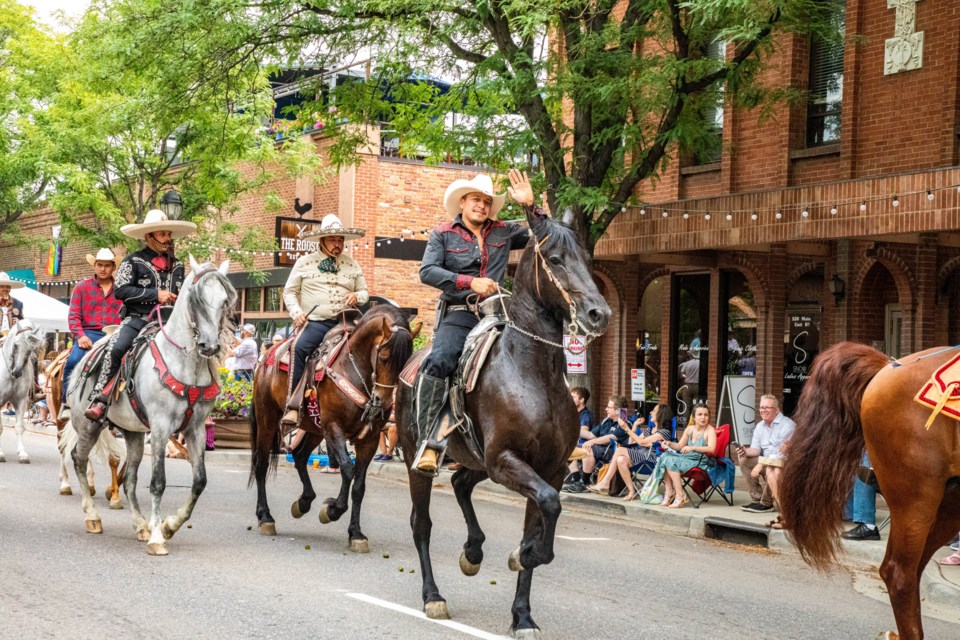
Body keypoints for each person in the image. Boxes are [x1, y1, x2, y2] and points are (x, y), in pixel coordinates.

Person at [412, 169, 548, 475]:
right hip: (460, 313)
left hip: (500, 313)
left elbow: (545, 234)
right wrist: (468, 282)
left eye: (487, 201)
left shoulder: (504, 232)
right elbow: (427, 271)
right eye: (476, 199)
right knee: (440, 360)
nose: (482, 206)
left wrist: (530, 205)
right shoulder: (442, 234)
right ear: (463, 202)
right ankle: (430, 440)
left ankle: (553, 438)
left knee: (541, 348)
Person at [84, 209, 196, 421]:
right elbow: (121, 290)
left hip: (171, 322)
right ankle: (101, 397)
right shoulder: (132, 261)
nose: (167, 239)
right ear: (149, 236)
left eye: (169, 234)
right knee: (116, 347)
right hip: (138, 319)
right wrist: (156, 294)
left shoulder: (179, 265)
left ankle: (197, 401)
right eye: (162, 234)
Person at [281, 214, 368, 427]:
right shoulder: (304, 263)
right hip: (317, 322)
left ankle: (375, 406)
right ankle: (294, 405)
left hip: (347, 321)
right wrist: (296, 312)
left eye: (340, 240)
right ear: (322, 241)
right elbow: (289, 292)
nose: (337, 244)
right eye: (332, 240)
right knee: (300, 348)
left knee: (372, 349)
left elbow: (365, 291)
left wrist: (357, 296)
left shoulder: (352, 264)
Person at [62, 248, 123, 397]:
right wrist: (80, 336)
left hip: (117, 334)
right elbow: (74, 316)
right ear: (94, 266)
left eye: (107, 265)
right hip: (89, 334)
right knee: (73, 361)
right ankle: (67, 401)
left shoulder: (122, 289)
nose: (103, 269)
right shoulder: (82, 287)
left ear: (113, 267)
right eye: (100, 265)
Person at [588, 403, 673, 501]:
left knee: (620, 450)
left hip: (652, 459)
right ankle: (632, 491)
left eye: (654, 411)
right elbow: (632, 442)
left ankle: (606, 482)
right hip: (640, 456)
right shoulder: (649, 429)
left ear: (661, 414)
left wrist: (626, 428)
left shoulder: (664, 432)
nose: (651, 412)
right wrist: (635, 426)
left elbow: (641, 442)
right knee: (620, 459)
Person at [737, 394, 795, 517]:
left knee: (772, 467)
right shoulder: (760, 426)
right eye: (761, 407)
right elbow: (756, 450)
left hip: (785, 464)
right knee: (744, 460)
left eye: (767, 407)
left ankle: (766, 503)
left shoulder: (787, 425)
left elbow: (780, 454)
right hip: (768, 460)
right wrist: (745, 451)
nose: (763, 410)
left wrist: (760, 464)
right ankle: (756, 499)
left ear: (776, 409)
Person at [562, 395, 632, 493]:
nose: (606, 409)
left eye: (609, 407)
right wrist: (572, 428)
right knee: (568, 447)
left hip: (614, 452)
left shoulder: (625, 423)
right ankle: (577, 479)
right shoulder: (606, 421)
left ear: (617, 411)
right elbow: (590, 435)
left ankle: (584, 483)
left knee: (588, 449)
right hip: (599, 449)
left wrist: (592, 442)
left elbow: (611, 437)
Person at [658, 403, 717, 508]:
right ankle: (669, 491)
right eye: (700, 414)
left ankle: (680, 495)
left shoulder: (710, 430)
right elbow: (680, 446)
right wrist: (669, 443)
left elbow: (711, 449)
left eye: (706, 415)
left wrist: (693, 448)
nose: (703, 417)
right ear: (694, 417)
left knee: (670, 461)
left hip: (700, 462)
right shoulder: (689, 429)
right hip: (687, 459)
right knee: (664, 456)